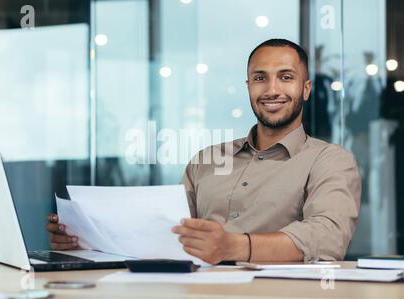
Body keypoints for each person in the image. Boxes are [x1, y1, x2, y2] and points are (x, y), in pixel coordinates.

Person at [46, 39, 361, 264]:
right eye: (259, 78)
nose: (272, 90)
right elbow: (164, 233)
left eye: (286, 77)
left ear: (305, 88)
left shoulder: (330, 160)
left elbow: (327, 238)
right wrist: (83, 242)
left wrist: (233, 246)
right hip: (196, 295)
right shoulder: (208, 158)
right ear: (248, 86)